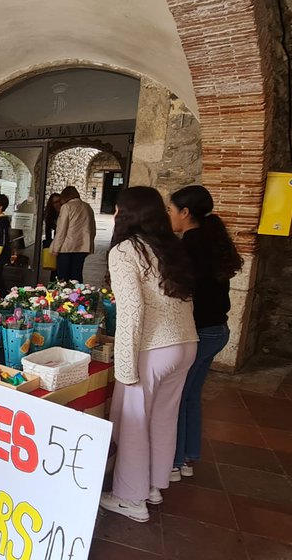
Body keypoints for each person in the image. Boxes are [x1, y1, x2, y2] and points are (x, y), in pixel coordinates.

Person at [99, 186, 197, 523]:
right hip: (185, 344)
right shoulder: (169, 247)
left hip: (152, 349)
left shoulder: (127, 251)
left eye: (118, 210)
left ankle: (130, 498)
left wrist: (124, 367)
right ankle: (154, 487)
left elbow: (131, 310)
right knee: (163, 420)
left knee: (135, 422)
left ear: (127, 215)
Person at [167, 185, 243, 482]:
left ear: (185, 213)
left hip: (197, 332)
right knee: (191, 396)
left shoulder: (188, 246)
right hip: (217, 330)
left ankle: (173, 462)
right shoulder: (213, 240)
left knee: (177, 397)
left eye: (171, 210)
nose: (169, 216)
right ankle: (187, 456)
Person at [51, 186, 96, 282]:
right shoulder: (88, 207)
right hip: (82, 247)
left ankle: (63, 296)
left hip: (66, 247)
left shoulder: (66, 207)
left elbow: (61, 230)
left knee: (63, 277)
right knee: (77, 276)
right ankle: (77, 296)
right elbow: (92, 228)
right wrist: (89, 244)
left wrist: (56, 248)